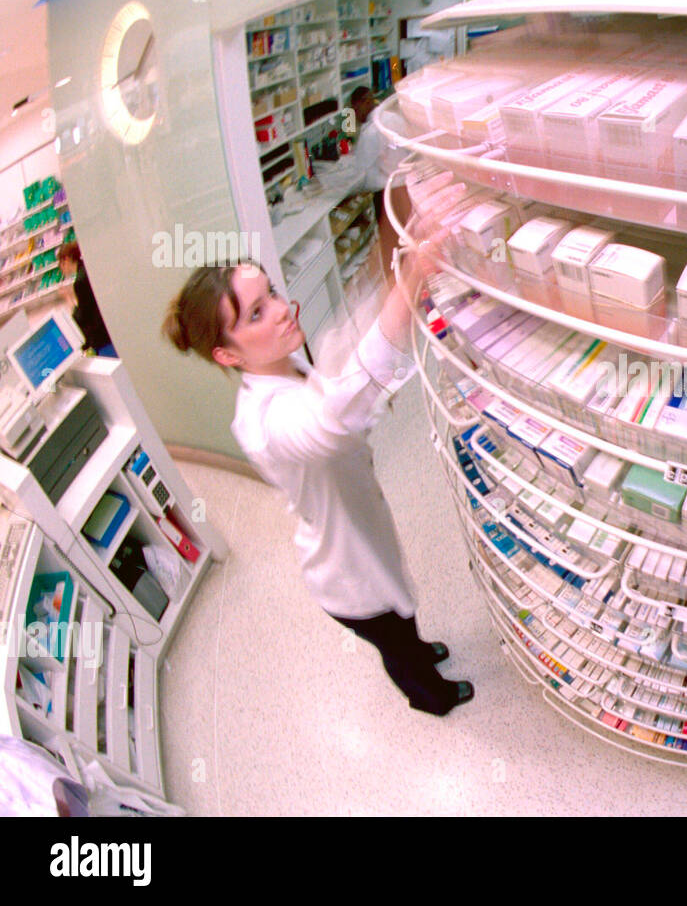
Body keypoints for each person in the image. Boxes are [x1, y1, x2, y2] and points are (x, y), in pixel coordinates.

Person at [162, 255, 473, 716]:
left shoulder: (284, 368)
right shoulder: (267, 422)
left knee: (403, 620)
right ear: (227, 355)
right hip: (347, 575)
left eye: (269, 293)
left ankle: (419, 650)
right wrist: (407, 282)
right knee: (395, 636)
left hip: (356, 534)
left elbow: (339, 382)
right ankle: (430, 696)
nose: (280, 308)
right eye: (256, 313)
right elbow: (334, 415)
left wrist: (385, 287)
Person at [348, 86, 410, 272]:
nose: (355, 115)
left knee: (392, 246)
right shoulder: (392, 118)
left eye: (356, 109)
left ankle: (398, 282)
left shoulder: (371, 132)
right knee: (408, 237)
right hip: (406, 184)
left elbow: (360, 172)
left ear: (367, 102)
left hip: (388, 193)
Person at [57, 241, 115, 357]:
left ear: (67, 260)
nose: (61, 270)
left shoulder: (80, 282)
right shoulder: (88, 269)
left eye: (61, 265)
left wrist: (69, 299)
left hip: (103, 338)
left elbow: (84, 316)